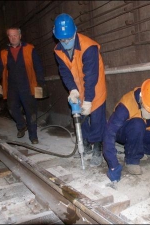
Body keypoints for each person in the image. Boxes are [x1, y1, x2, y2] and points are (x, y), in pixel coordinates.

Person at [53, 13, 107, 167]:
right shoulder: (58, 50)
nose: (66, 42)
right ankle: (86, 145)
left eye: (69, 39)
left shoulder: (88, 47)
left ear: (75, 32)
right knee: (81, 118)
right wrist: (73, 90)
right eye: (62, 40)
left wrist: (89, 99)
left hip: (94, 86)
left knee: (97, 118)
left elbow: (90, 76)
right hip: (78, 86)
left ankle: (98, 148)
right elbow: (64, 72)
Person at [103, 78, 150, 183]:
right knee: (138, 123)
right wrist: (113, 164)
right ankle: (132, 160)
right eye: (148, 108)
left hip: (143, 131)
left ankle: (137, 149)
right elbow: (109, 133)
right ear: (142, 97)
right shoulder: (126, 105)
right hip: (125, 132)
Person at [0, 27, 45, 145]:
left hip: (28, 85)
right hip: (12, 86)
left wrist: (40, 81)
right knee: (11, 108)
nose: (13, 38)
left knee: (30, 111)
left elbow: (38, 66)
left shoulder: (29, 49)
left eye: (15, 35)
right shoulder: (4, 52)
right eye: (10, 36)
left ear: (20, 36)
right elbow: (0, 67)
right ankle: (21, 125)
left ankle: (33, 136)